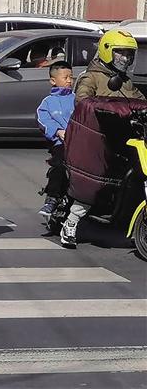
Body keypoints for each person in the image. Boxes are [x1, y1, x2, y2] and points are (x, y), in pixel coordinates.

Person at [60, 29, 145, 248]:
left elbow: (139, 101)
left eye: (129, 54)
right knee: (93, 180)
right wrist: (110, 108)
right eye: (121, 53)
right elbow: (83, 102)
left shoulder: (125, 82)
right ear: (107, 51)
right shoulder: (90, 77)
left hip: (123, 138)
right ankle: (71, 223)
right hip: (96, 139)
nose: (125, 59)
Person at [36, 61, 75, 222]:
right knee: (59, 165)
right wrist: (58, 131)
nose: (69, 80)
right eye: (66, 77)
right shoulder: (47, 102)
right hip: (60, 143)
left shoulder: (77, 99)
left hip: (80, 143)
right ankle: (52, 198)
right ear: (53, 80)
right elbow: (43, 121)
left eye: (71, 77)